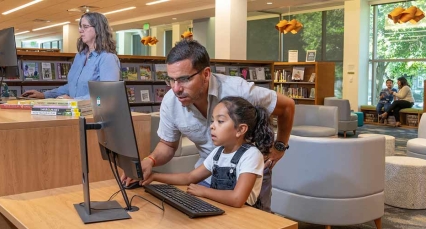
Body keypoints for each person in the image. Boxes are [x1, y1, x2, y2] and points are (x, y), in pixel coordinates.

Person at [122, 39, 296, 212]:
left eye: (183, 79)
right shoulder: (171, 101)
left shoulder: (237, 91)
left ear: (205, 74)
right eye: (171, 80)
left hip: (248, 172)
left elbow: (287, 106)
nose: (176, 89)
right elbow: (168, 145)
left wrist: (279, 147)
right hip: (208, 171)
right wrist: (149, 162)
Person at [142, 96, 273, 210]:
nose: (212, 126)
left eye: (220, 121)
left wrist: (204, 191)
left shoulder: (251, 155)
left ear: (240, 129)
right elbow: (189, 178)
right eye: (212, 121)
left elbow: (237, 199)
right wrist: (154, 176)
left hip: (245, 215)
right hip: (222, 209)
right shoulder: (218, 152)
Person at [21, 12, 120, 100]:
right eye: (80, 27)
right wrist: (45, 95)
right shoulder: (79, 57)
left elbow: (107, 94)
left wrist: (74, 101)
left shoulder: (107, 58)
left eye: (85, 27)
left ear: (98, 29)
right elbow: (72, 87)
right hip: (74, 113)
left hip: (95, 115)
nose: (81, 30)